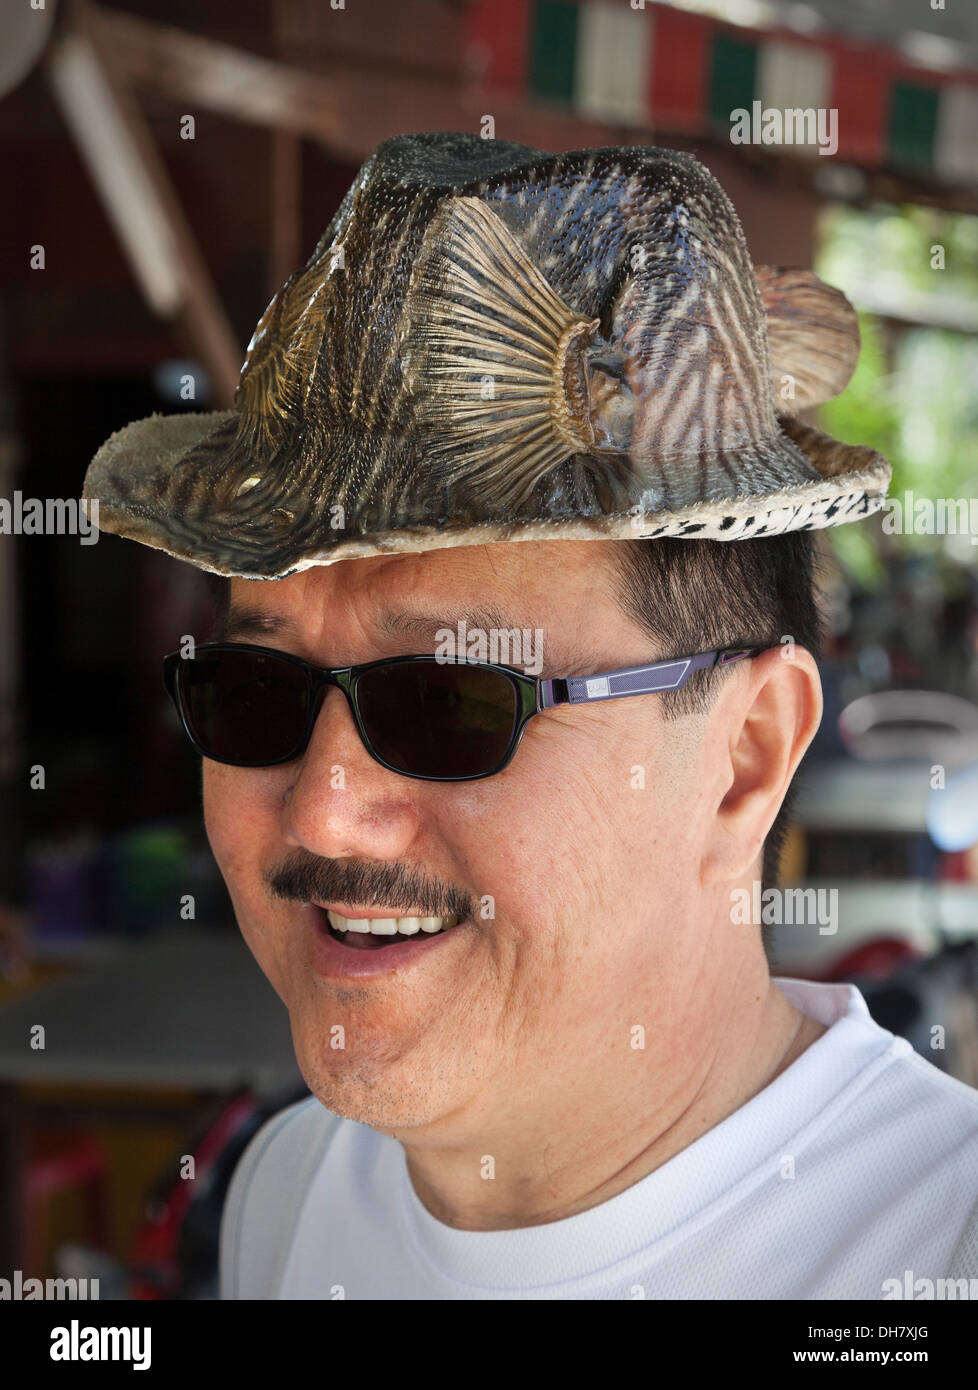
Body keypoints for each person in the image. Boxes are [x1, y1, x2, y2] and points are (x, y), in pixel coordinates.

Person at [84, 133, 978, 1299]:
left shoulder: (939, 1251)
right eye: (258, 696)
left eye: (450, 703)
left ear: (743, 759)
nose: (327, 811)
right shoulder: (283, 1200)